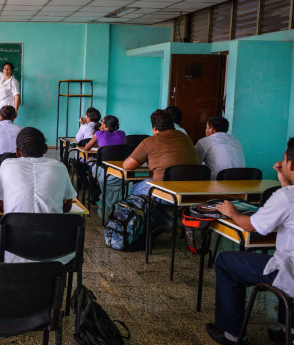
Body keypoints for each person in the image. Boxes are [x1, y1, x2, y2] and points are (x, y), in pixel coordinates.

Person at [205, 138, 294, 345]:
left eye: (284, 159)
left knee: (226, 262)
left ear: (291, 164)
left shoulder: (286, 197)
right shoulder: (286, 194)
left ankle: (232, 335)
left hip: (290, 271)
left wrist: (232, 212)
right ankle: (288, 329)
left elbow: (252, 226)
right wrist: (283, 181)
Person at [0, 127, 77, 262]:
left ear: (18, 152)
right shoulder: (60, 167)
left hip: (13, 249)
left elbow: (1, 205)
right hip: (55, 251)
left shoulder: (7, 165)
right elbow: (67, 206)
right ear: (45, 149)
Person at [124, 109, 199, 197]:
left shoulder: (149, 141)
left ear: (155, 128)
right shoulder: (185, 137)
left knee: (135, 188)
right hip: (191, 191)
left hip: (164, 193)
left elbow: (127, 166)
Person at [85, 115, 126, 208]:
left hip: (103, 167)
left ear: (106, 125)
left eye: (102, 122)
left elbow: (87, 148)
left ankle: (93, 195)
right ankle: (94, 195)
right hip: (118, 168)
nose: (100, 123)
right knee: (104, 174)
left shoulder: (98, 134)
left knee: (92, 170)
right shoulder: (122, 134)